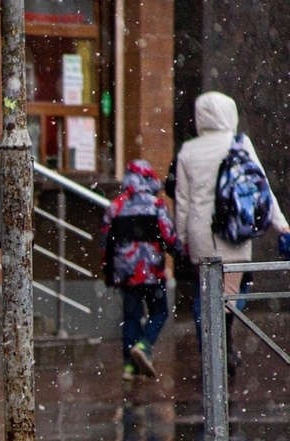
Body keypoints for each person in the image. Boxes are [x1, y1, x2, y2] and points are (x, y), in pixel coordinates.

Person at [174, 91, 290, 376]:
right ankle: (222, 349)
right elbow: (261, 187)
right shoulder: (239, 143)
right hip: (233, 229)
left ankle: (210, 349)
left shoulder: (188, 151)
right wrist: (282, 225)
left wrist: (180, 236)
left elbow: (182, 201)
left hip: (200, 231)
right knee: (229, 293)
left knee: (206, 293)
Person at [100, 159, 183, 381]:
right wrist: (180, 253)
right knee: (160, 311)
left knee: (131, 316)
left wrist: (109, 272)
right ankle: (144, 346)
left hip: (126, 273)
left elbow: (105, 243)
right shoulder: (156, 205)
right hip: (152, 272)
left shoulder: (116, 206)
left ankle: (129, 366)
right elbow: (169, 236)